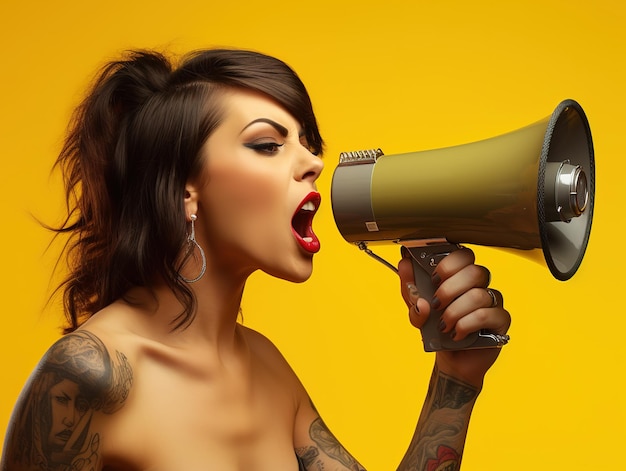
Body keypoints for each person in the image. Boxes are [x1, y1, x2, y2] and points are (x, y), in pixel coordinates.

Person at [1, 48, 511, 471]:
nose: (313, 164)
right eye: (268, 144)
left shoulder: (266, 369)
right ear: (185, 191)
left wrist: (457, 375)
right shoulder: (89, 376)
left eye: (310, 147)